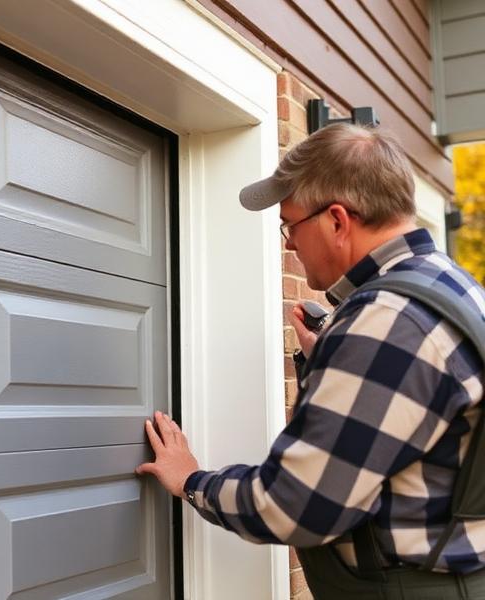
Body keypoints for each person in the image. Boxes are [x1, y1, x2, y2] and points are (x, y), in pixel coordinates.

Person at [136, 123, 485, 598]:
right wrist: (332, 358)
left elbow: (296, 505)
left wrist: (190, 480)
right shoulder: (454, 287)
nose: (288, 244)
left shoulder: (386, 320)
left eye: (290, 224)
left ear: (337, 221)